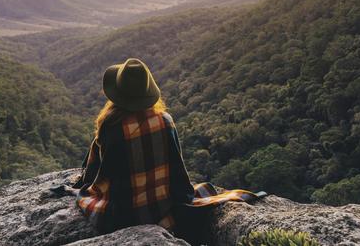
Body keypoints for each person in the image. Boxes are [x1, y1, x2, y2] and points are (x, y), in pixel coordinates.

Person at [73, 58, 265, 243]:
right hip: (162, 208)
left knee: (85, 195)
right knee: (205, 189)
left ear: (117, 95)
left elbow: (98, 176)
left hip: (122, 215)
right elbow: (177, 172)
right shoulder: (165, 121)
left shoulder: (111, 127)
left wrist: (85, 185)